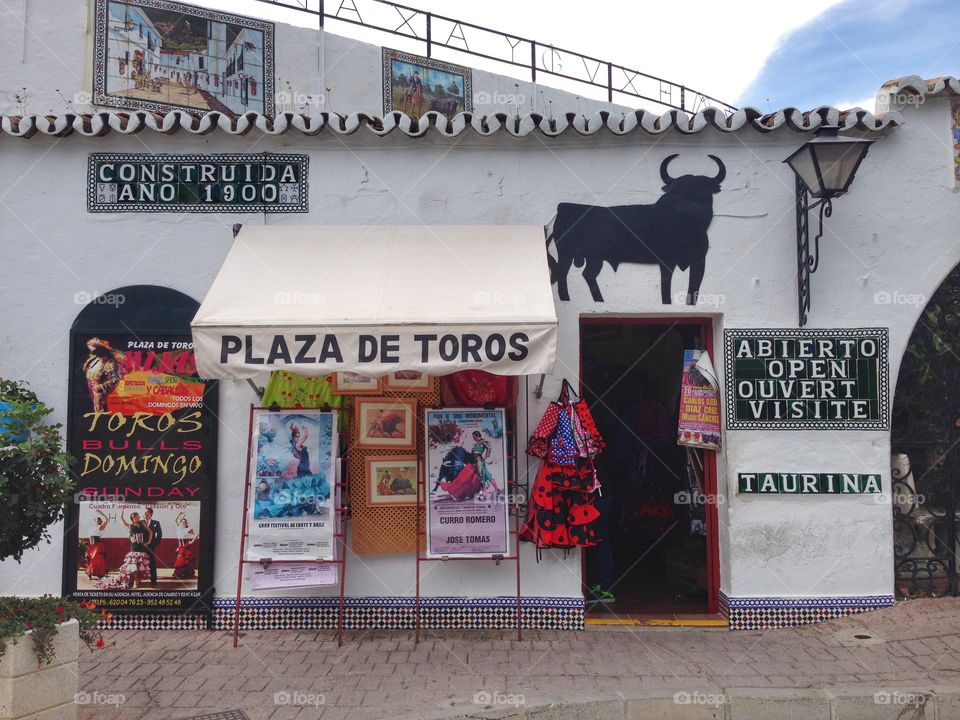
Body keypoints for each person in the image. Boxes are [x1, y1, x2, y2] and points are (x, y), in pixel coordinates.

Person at [81, 337, 126, 412]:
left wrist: (101, 387)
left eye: (102, 356)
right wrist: (102, 343)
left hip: (98, 386)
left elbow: (115, 379)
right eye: (99, 356)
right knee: (94, 405)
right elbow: (89, 343)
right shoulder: (96, 355)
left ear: (106, 355)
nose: (100, 358)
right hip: (89, 383)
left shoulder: (110, 364)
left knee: (99, 407)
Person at [118, 510, 152, 589]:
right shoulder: (130, 526)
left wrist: (148, 542)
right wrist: (122, 509)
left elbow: (150, 532)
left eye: (137, 516)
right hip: (134, 547)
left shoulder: (143, 523)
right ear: (132, 518)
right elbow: (121, 518)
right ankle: (135, 581)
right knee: (133, 565)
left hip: (142, 547)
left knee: (140, 565)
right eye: (135, 516)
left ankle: (138, 580)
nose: (137, 517)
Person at [85, 509, 110, 580]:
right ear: (95, 521)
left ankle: (100, 573)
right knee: (90, 559)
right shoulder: (93, 528)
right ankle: (90, 572)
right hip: (91, 545)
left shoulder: (101, 527)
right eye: (97, 520)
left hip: (97, 545)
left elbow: (107, 520)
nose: (98, 521)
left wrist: (102, 513)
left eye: (100, 520)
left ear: (101, 522)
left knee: (96, 558)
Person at [172, 513, 198, 579]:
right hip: (181, 547)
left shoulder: (189, 529)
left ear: (187, 523)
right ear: (180, 523)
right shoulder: (179, 528)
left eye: (185, 522)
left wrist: (191, 542)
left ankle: (182, 573)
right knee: (181, 560)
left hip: (186, 546)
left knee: (184, 560)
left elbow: (196, 535)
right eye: (182, 522)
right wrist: (179, 514)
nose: (184, 523)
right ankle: (182, 573)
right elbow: (175, 520)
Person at [144, 507, 162, 587]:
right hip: (141, 546)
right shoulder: (140, 522)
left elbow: (159, 534)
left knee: (152, 563)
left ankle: (154, 581)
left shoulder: (156, 522)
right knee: (139, 562)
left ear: (151, 514)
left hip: (151, 546)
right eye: (144, 513)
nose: (145, 514)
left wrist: (155, 543)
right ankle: (137, 580)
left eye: (147, 512)